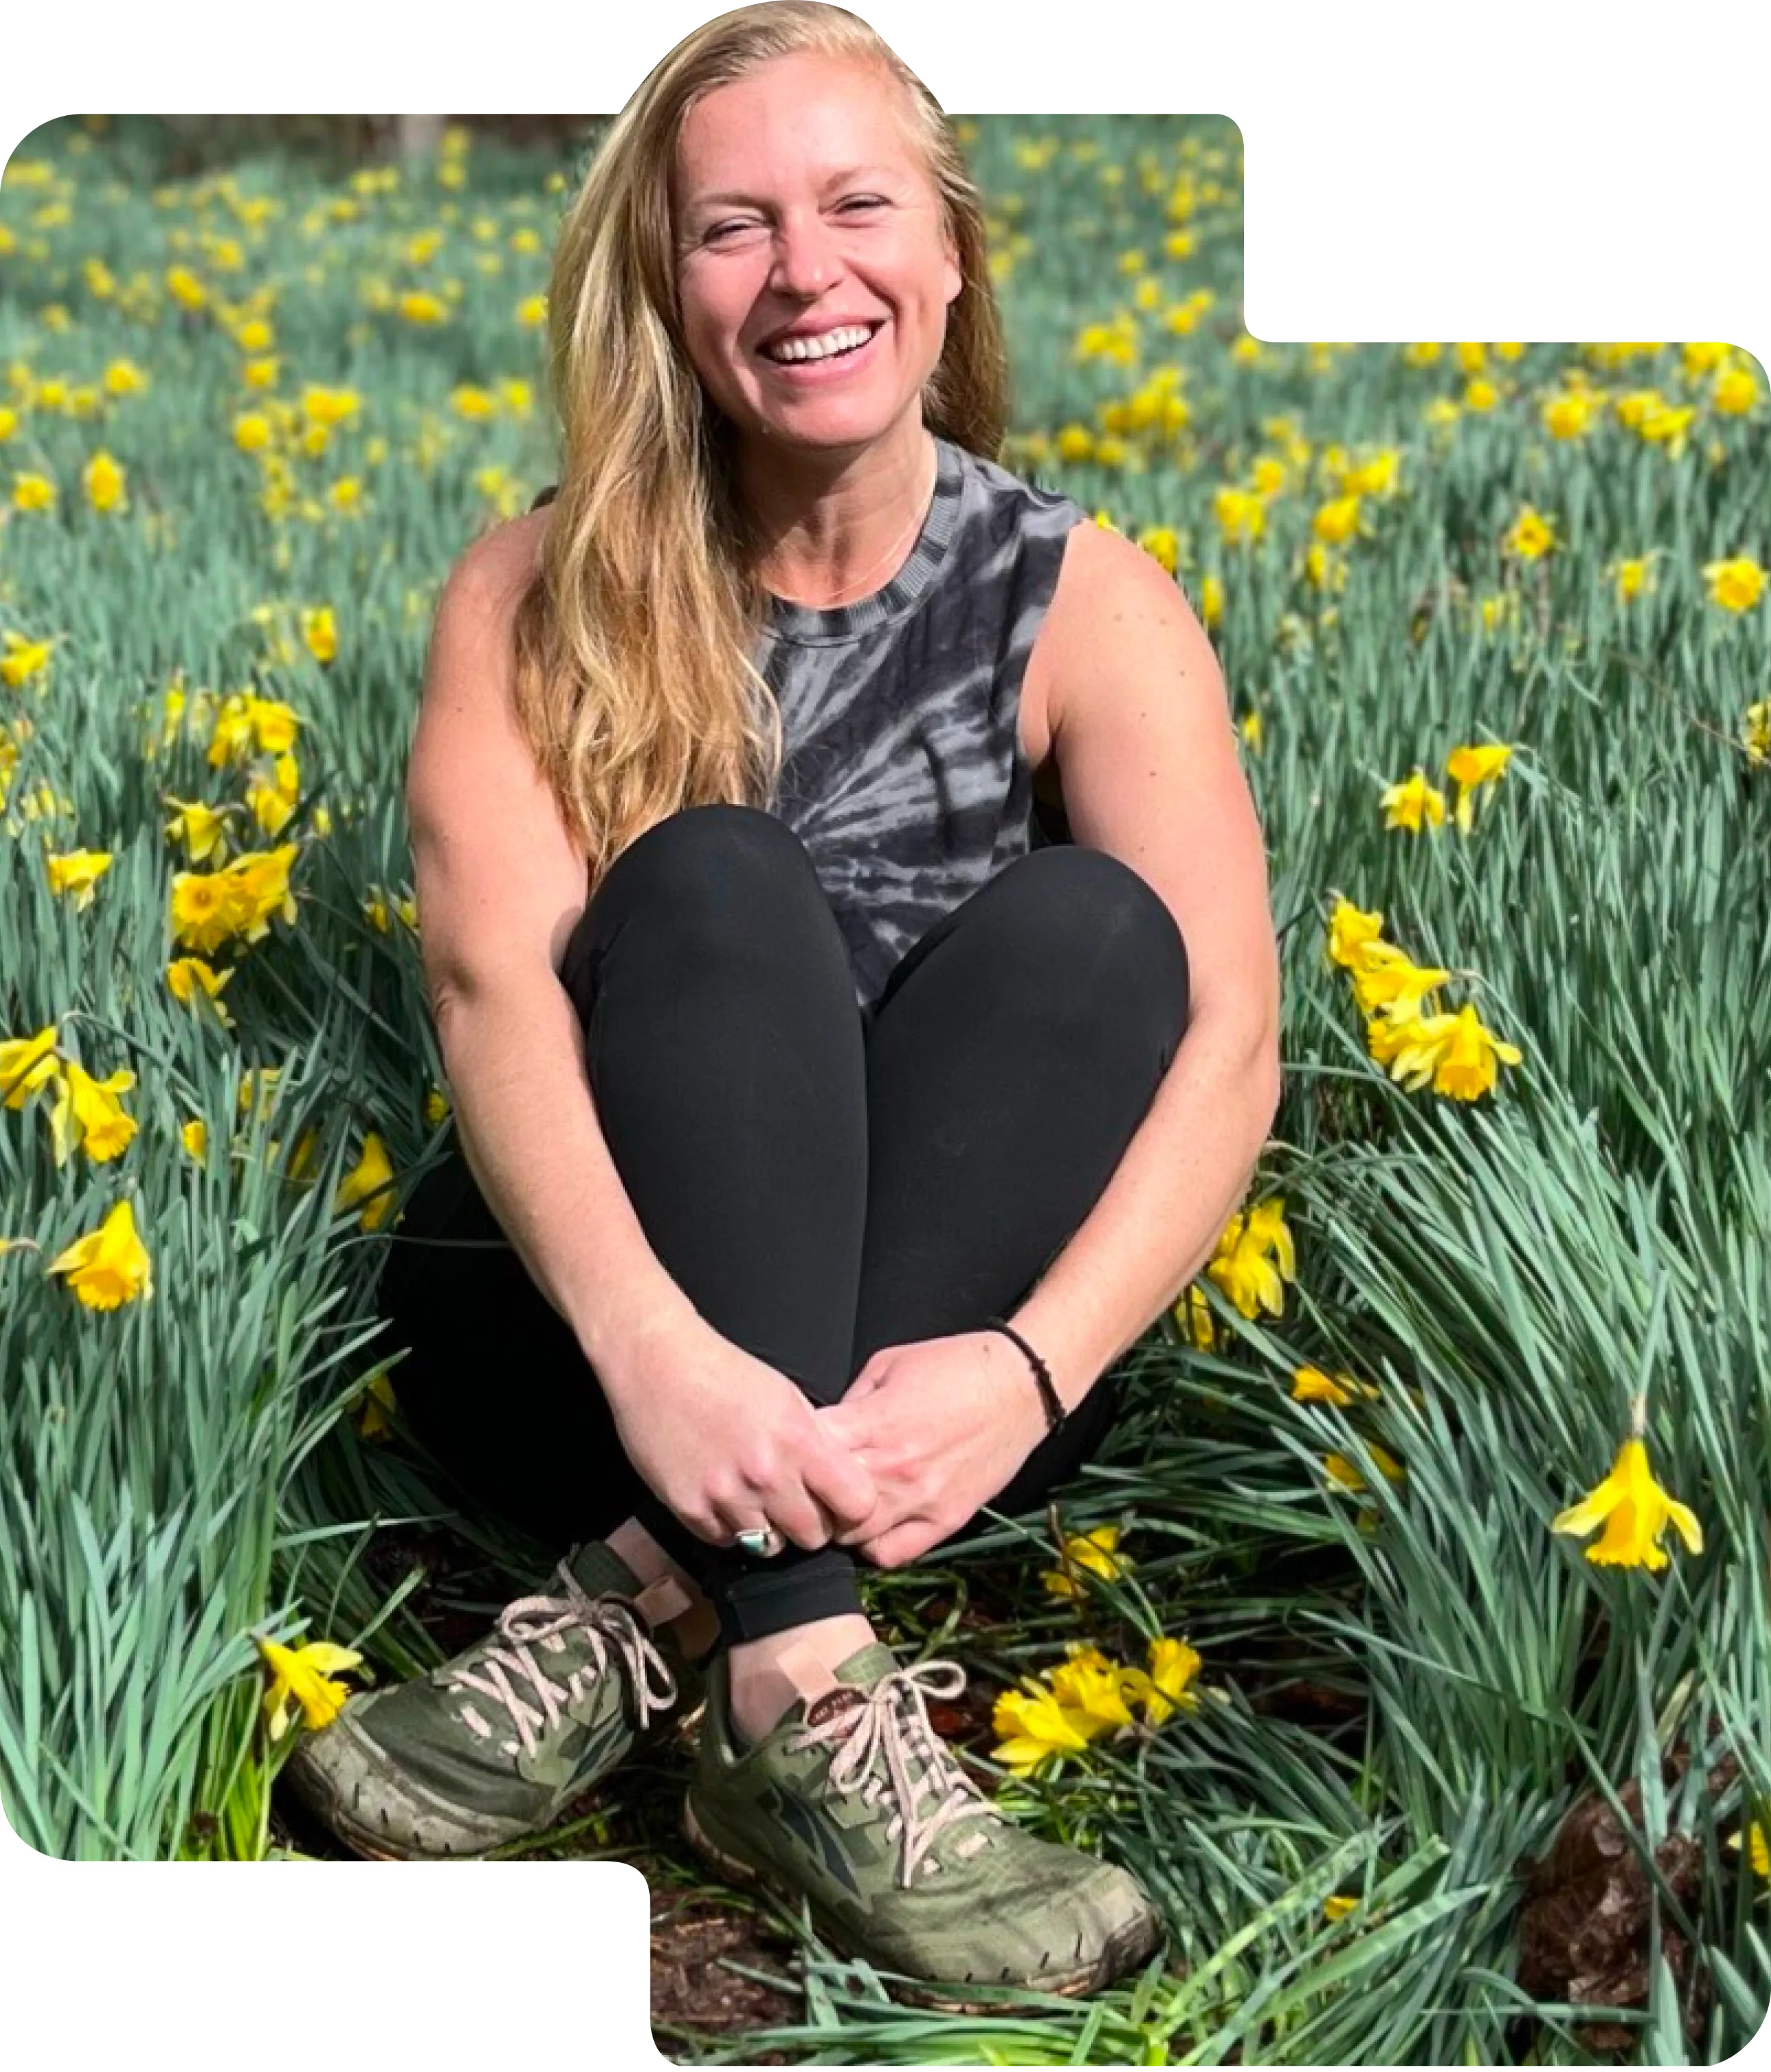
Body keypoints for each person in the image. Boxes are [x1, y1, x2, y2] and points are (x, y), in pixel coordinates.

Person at [284, 2, 1282, 2003]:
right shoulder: (535, 589)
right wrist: (654, 1349)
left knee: (1105, 943)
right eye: (734, 227)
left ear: (948, 251)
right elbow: (493, 1002)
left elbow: (1232, 1051)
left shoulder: (1090, 599)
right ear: (663, 282)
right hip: (577, 1339)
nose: (806, 271)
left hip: (945, 1388)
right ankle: (802, 1680)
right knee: (726, 885)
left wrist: (1023, 1368)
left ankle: (648, 1606)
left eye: (857, 206)